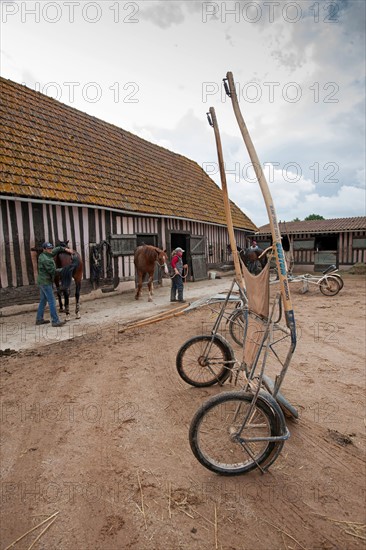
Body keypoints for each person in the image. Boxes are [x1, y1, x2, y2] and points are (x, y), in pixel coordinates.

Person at [35, 241, 74, 327]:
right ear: (44, 249)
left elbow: (56, 250)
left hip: (42, 281)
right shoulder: (46, 260)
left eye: (51, 248)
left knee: (43, 300)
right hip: (46, 282)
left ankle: (39, 319)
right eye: (48, 248)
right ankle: (55, 321)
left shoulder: (44, 255)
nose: (50, 250)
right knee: (52, 301)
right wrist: (64, 269)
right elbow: (53, 272)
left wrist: (65, 249)